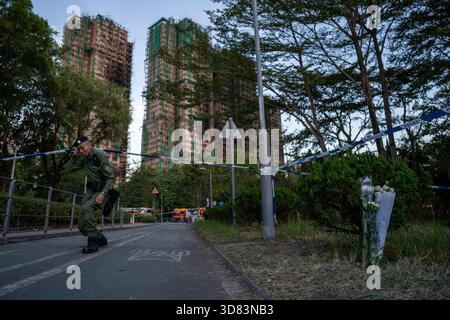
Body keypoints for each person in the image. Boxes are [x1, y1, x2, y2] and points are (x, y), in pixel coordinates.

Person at [68, 136, 116, 254]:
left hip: (101, 191)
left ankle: (93, 243)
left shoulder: (99, 155)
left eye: (82, 148)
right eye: (78, 149)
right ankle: (100, 238)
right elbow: (71, 168)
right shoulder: (84, 158)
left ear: (89, 145)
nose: (80, 151)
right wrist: (73, 156)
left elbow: (111, 178)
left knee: (87, 208)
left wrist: (103, 194)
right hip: (90, 191)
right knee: (81, 224)